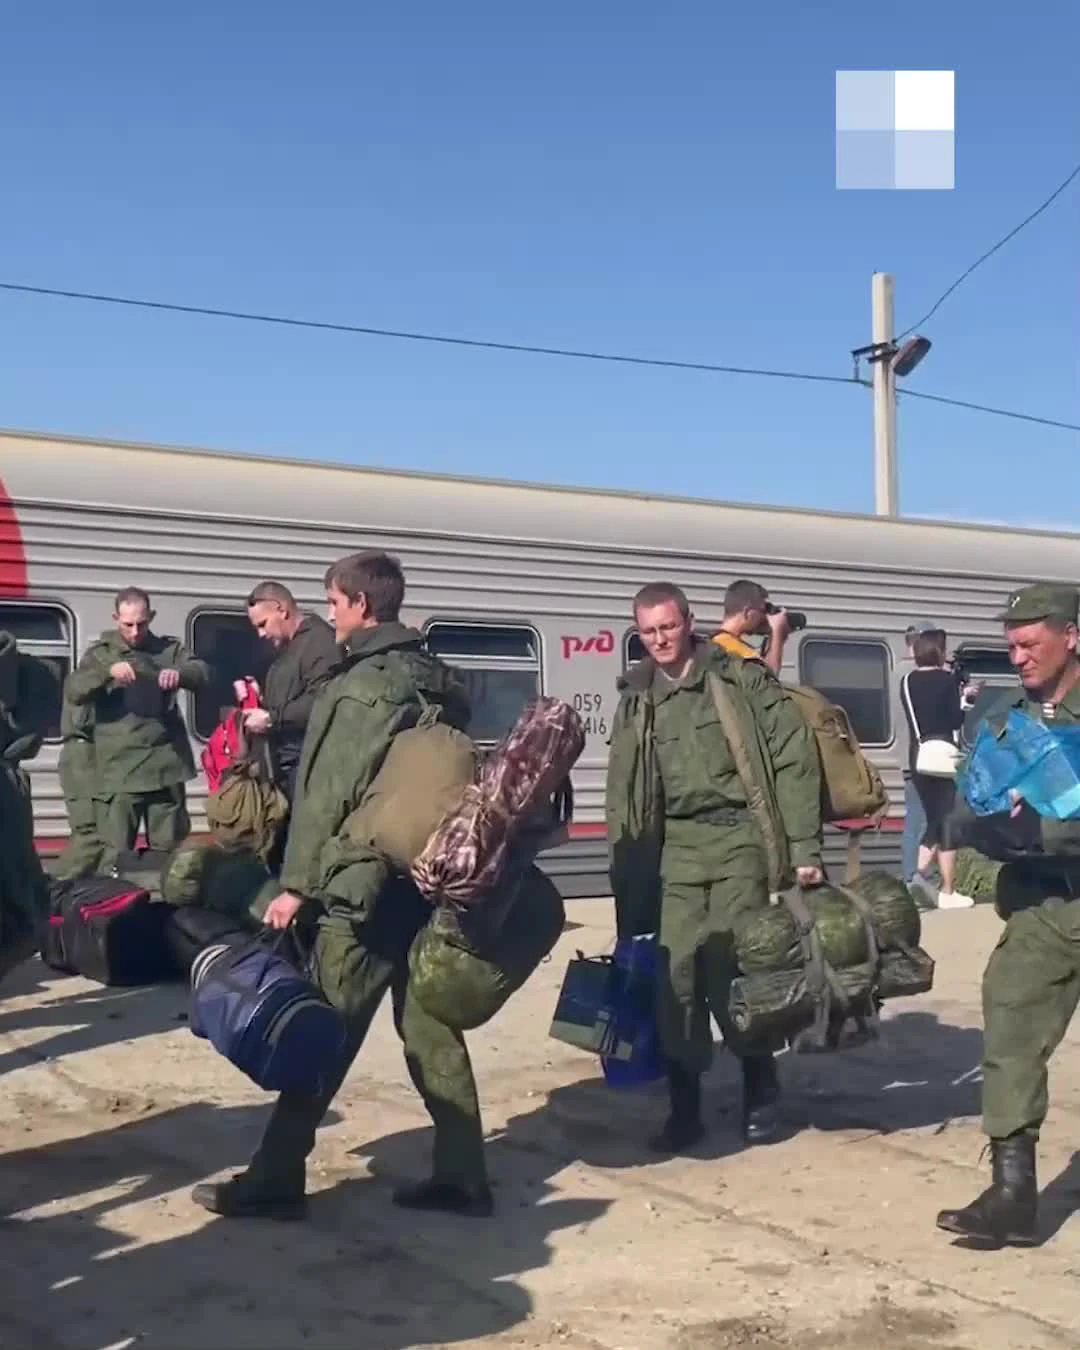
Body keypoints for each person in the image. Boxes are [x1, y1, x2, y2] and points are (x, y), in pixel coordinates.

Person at [192, 550, 492, 1221]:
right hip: (428, 881)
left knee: (320, 1030)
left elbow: (328, 790)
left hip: (361, 888)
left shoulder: (360, 688)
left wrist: (296, 885)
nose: (330, 615)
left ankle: (274, 1177)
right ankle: (464, 1172)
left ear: (359, 605)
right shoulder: (439, 677)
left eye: (333, 603)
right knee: (429, 1027)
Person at [607, 581, 823, 1154]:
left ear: (689, 621)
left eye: (668, 627)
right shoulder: (638, 697)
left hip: (738, 838)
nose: (659, 640)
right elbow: (624, 794)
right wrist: (626, 879)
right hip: (674, 849)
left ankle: (760, 1086)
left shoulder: (736, 678)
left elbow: (793, 756)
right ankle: (686, 1109)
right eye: (648, 631)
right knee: (674, 972)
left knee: (731, 965)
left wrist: (804, 850)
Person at [937, 583, 1080, 1247]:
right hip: (1044, 904)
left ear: (1070, 636)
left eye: (1030, 643)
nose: (1017, 656)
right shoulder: (1002, 718)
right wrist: (981, 829)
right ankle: (1012, 1195)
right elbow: (968, 802)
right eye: (1011, 645)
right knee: (1011, 1023)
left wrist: (1043, 833)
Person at [65, 588, 209, 870]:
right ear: (115, 618)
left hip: (165, 769)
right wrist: (106, 673)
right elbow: (74, 689)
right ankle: (113, 911)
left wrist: (181, 675)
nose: (134, 631)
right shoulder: (101, 655)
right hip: (119, 771)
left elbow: (203, 673)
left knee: (170, 859)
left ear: (151, 617)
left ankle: (169, 910)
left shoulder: (169, 651)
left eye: (141, 623)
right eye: (127, 624)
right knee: (115, 857)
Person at [241, 580, 341, 804]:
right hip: (288, 765)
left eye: (263, 624)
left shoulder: (319, 642)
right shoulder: (288, 647)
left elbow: (324, 699)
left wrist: (270, 719)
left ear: (282, 610)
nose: (261, 634)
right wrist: (259, 695)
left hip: (307, 767)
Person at [900, 626, 974, 909]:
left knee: (933, 819)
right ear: (939, 651)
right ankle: (947, 890)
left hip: (918, 757)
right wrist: (966, 700)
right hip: (944, 758)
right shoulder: (946, 681)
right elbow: (954, 721)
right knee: (947, 822)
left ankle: (917, 880)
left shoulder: (906, 681)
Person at [51, 676, 105, 881]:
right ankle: (53, 885)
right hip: (85, 758)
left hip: (86, 757)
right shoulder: (88, 679)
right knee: (92, 833)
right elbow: (82, 719)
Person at [712, 579, 792, 678]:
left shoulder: (714, 643)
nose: (764, 617)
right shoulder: (733, 649)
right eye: (762, 610)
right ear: (747, 612)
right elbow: (769, 680)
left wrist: (774, 637)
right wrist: (777, 633)